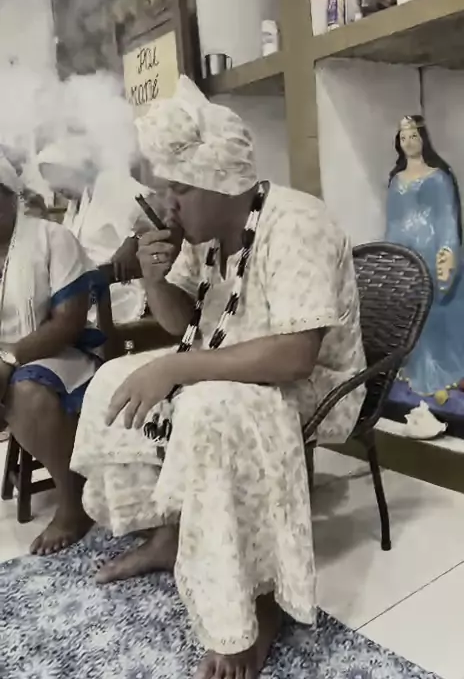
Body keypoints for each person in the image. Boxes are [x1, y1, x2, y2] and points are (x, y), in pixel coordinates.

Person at [71, 77, 366, 679]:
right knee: (113, 379)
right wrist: (155, 281)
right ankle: (167, 533)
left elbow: (296, 357)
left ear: (222, 179)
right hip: (227, 366)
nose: (169, 205)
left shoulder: (297, 222)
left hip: (310, 384)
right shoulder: (202, 236)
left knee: (208, 409)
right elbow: (184, 325)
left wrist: (178, 367)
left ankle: (257, 601)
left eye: (179, 189)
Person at [0, 153, 104, 554]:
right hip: (9, 359)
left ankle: (73, 504)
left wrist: (9, 358)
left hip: (61, 353)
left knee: (25, 391)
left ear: (9, 197)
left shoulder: (51, 238)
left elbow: (68, 323)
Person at [387, 114, 464, 416]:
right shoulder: (396, 181)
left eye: (413, 136)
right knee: (410, 310)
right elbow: (393, 221)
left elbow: (447, 217)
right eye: (403, 137)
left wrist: (448, 251)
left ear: (423, 139)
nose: (409, 142)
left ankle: (442, 370)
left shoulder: (439, 177)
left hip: (432, 253)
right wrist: (390, 255)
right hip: (404, 253)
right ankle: (411, 366)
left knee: (435, 311)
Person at [37, 138, 150, 325]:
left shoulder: (111, 184)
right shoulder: (78, 202)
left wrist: (134, 238)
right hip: (85, 291)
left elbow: (153, 210)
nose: (52, 187)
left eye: (53, 177)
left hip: (118, 292)